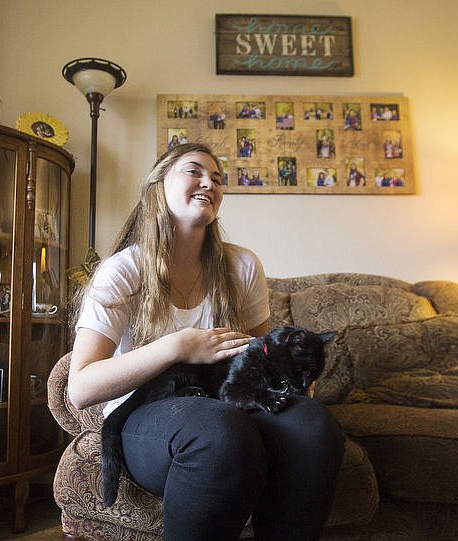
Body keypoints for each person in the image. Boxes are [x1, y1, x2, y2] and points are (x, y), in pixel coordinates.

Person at [68, 143, 344, 541]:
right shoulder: (123, 270)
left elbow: (264, 354)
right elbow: (81, 388)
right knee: (220, 432)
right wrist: (178, 347)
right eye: (194, 172)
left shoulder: (242, 266)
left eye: (217, 178)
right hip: (148, 415)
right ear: (158, 186)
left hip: (229, 404)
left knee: (315, 426)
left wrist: (293, 383)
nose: (209, 183)